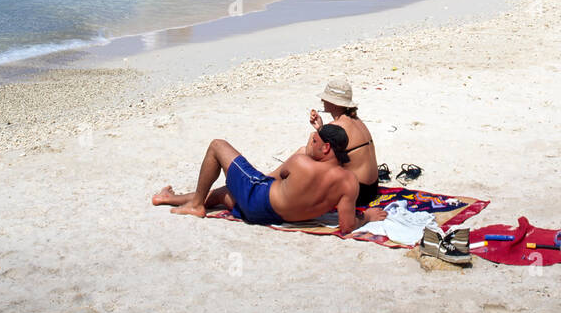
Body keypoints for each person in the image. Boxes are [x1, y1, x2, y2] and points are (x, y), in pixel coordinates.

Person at [152, 128, 388, 235]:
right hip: (271, 216)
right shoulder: (349, 182)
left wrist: (303, 153)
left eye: (313, 140)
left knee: (217, 146)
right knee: (225, 193)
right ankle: (169, 198)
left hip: (259, 200)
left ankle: (196, 205)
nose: (309, 143)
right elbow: (347, 226)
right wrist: (366, 216)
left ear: (325, 147)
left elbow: (269, 178)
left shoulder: (300, 162)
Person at [308, 76, 379, 206]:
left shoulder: (336, 127)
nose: (322, 100)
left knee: (305, 157)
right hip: (372, 188)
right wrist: (321, 129)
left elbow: (311, 153)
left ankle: (270, 180)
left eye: (325, 98)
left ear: (333, 103)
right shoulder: (357, 121)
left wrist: (316, 133)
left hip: (357, 193)